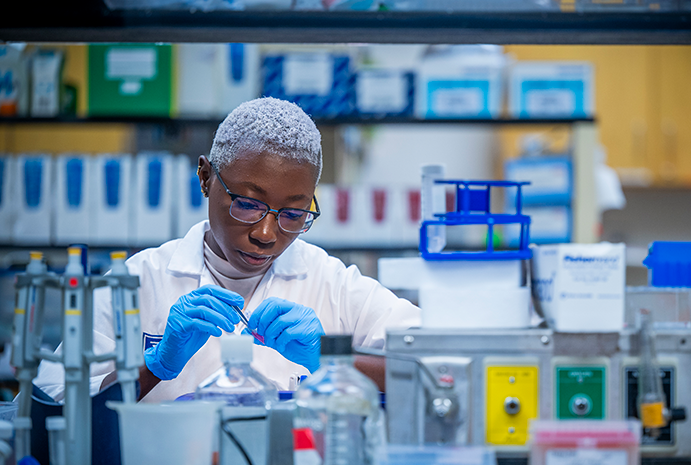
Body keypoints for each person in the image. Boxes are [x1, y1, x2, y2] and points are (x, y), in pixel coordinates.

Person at [35, 98, 421, 402]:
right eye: (249, 204)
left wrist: (333, 361)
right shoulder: (137, 283)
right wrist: (153, 367)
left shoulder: (334, 285)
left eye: (293, 213)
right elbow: (48, 408)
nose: (267, 234)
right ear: (206, 178)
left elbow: (441, 370)